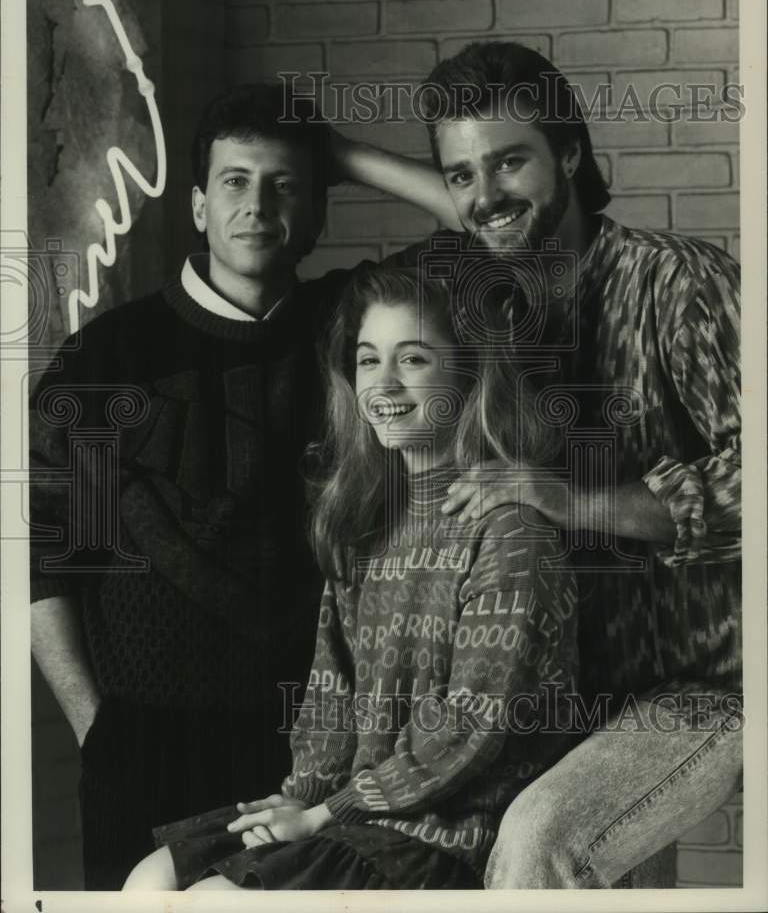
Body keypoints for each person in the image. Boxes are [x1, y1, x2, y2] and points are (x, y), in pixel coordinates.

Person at [330, 41, 743, 888]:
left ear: (573, 154)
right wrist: (337, 155)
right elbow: (486, 209)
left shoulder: (678, 283)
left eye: (512, 160)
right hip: (562, 693)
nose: (485, 195)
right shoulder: (488, 300)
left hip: (706, 687)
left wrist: (569, 499)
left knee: (534, 844)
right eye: (460, 175)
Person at [123, 265, 579, 891]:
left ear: (470, 374)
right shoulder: (368, 523)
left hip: (437, 833)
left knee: (213, 901)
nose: (383, 383)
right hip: (347, 812)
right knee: (149, 882)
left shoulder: (511, 533)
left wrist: (322, 815)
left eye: (413, 358)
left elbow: (469, 727)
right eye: (368, 361)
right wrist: (299, 800)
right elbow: (330, 694)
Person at [28, 83, 357, 889]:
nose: (258, 205)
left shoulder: (350, 333)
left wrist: (338, 155)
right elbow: (47, 563)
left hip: (310, 747)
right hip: (144, 746)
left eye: (285, 186)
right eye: (236, 181)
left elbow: (498, 250)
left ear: (317, 216)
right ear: (199, 207)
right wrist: (96, 727)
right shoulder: (109, 359)